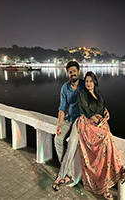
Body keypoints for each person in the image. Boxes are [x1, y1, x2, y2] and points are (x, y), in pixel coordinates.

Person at [76, 71, 125, 199]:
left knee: (105, 154)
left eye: (91, 81)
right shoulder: (82, 94)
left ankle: (109, 184)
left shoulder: (98, 95)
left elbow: (101, 109)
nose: (88, 83)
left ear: (95, 82)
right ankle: (119, 170)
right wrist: (99, 121)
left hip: (99, 124)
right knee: (106, 137)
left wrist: (106, 113)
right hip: (87, 125)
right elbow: (86, 111)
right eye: (87, 81)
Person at [52, 60, 85, 191]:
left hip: (79, 121)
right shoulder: (65, 88)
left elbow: (95, 97)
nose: (72, 74)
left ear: (78, 72)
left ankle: (61, 176)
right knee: (58, 140)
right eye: (70, 72)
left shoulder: (84, 84)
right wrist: (59, 125)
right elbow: (62, 108)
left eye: (74, 71)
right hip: (68, 119)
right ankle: (68, 171)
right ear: (68, 73)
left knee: (72, 144)